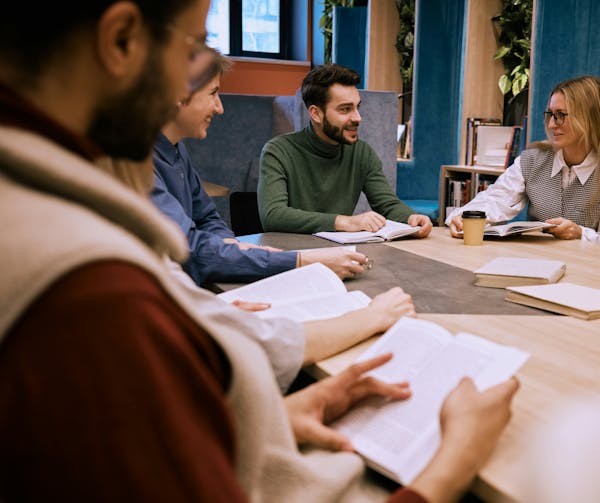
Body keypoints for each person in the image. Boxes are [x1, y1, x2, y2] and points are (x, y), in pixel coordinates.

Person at [0, 1, 520, 501]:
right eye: (196, 48)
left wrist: (262, 419)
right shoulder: (93, 299)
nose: (215, 96)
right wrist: (453, 462)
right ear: (121, 43)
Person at [152, 50, 368, 285]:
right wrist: (299, 262)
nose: (219, 107)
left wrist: (233, 246)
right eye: (213, 93)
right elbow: (191, 251)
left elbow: (207, 217)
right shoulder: (136, 162)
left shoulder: (176, 149)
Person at [447, 75, 600, 250]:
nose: (551, 125)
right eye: (550, 115)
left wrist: (580, 234)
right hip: (537, 266)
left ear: (590, 120)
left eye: (560, 116)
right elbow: (496, 199)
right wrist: (462, 217)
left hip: (592, 277)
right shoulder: (533, 160)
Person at [258, 63, 433, 237]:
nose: (358, 117)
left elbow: (387, 204)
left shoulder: (361, 153)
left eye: (358, 107)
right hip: (294, 256)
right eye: (345, 109)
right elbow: (273, 215)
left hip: (343, 254)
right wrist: (345, 221)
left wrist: (412, 218)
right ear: (316, 114)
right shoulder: (278, 151)